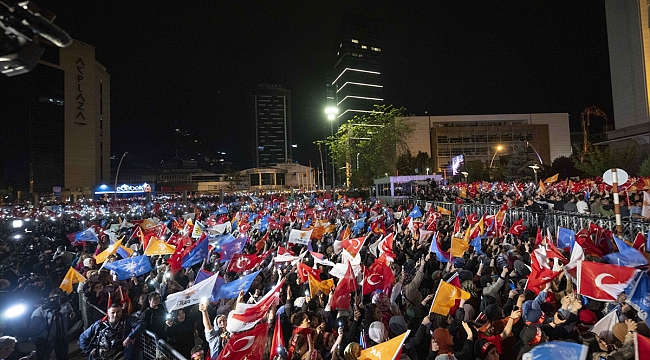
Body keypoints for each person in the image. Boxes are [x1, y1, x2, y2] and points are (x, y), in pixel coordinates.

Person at [79, 303, 145, 360]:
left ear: (121, 311)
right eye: (113, 312)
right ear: (108, 313)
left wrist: (130, 337)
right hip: (100, 356)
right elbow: (82, 337)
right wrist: (89, 350)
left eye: (118, 311)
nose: (115, 315)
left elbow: (141, 324)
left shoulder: (127, 320)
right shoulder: (99, 324)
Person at [27, 288, 75, 360]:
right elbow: (34, 330)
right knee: (43, 357)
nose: (59, 301)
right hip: (45, 340)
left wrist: (71, 314)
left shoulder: (65, 304)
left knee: (63, 356)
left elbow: (70, 311)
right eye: (56, 298)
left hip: (61, 337)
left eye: (60, 298)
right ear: (50, 298)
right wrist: (50, 321)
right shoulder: (39, 312)